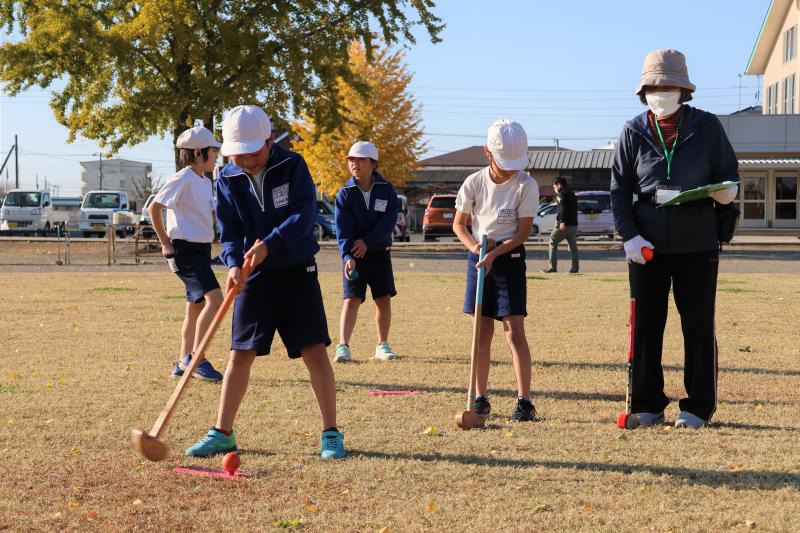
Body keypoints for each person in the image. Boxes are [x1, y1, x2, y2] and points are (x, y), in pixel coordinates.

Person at [185, 105, 346, 459]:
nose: (246, 160)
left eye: (252, 152)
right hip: (252, 277)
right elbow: (230, 232)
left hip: (297, 271)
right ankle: (222, 431)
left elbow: (303, 217)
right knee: (239, 354)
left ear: (271, 140)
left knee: (314, 351)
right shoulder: (226, 178)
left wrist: (269, 245)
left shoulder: (293, 167)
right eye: (237, 154)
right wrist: (231, 264)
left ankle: (331, 433)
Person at [610, 49, 739, 429]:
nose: (660, 92)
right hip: (646, 245)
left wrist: (727, 191)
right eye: (654, 86)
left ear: (683, 90)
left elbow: (729, 174)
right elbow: (619, 190)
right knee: (647, 324)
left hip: (698, 242)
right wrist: (629, 236)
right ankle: (648, 403)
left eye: (668, 86)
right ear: (644, 91)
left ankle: (698, 407)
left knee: (697, 324)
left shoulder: (707, 127)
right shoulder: (633, 130)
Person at [453, 119, 540, 421]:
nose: (510, 169)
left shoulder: (525, 185)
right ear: (487, 152)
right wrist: (477, 249)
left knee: (514, 332)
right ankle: (480, 398)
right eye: (505, 163)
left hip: (509, 258)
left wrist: (494, 253)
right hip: (478, 257)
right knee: (482, 330)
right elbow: (459, 225)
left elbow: (523, 233)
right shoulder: (474, 183)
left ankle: (524, 401)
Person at [149, 126, 224, 382]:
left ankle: (183, 362)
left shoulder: (205, 181)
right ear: (196, 152)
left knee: (195, 307)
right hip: (185, 251)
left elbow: (211, 215)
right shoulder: (182, 178)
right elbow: (154, 208)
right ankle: (197, 357)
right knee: (215, 299)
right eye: (213, 151)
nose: (216, 156)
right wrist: (166, 244)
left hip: (201, 251)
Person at [333, 141, 399, 363]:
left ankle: (382, 344)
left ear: (373, 163)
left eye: (360, 159)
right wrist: (348, 257)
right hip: (354, 256)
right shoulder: (345, 193)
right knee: (351, 299)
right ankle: (343, 346)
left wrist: (368, 242)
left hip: (379, 253)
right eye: (351, 159)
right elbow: (342, 229)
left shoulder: (387, 189)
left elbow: (388, 223)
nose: (355, 164)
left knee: (383, 299)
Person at [542, 177, 579, 273]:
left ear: (559, 184)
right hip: (574, 224)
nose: (554, 188)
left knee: (552, 241)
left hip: (565, 224)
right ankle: (575, 268)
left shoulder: (561, 194)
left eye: (554, 186)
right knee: (573, 246)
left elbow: (563, 209)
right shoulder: (572, 193)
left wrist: (562, 221)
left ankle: (552, 267)